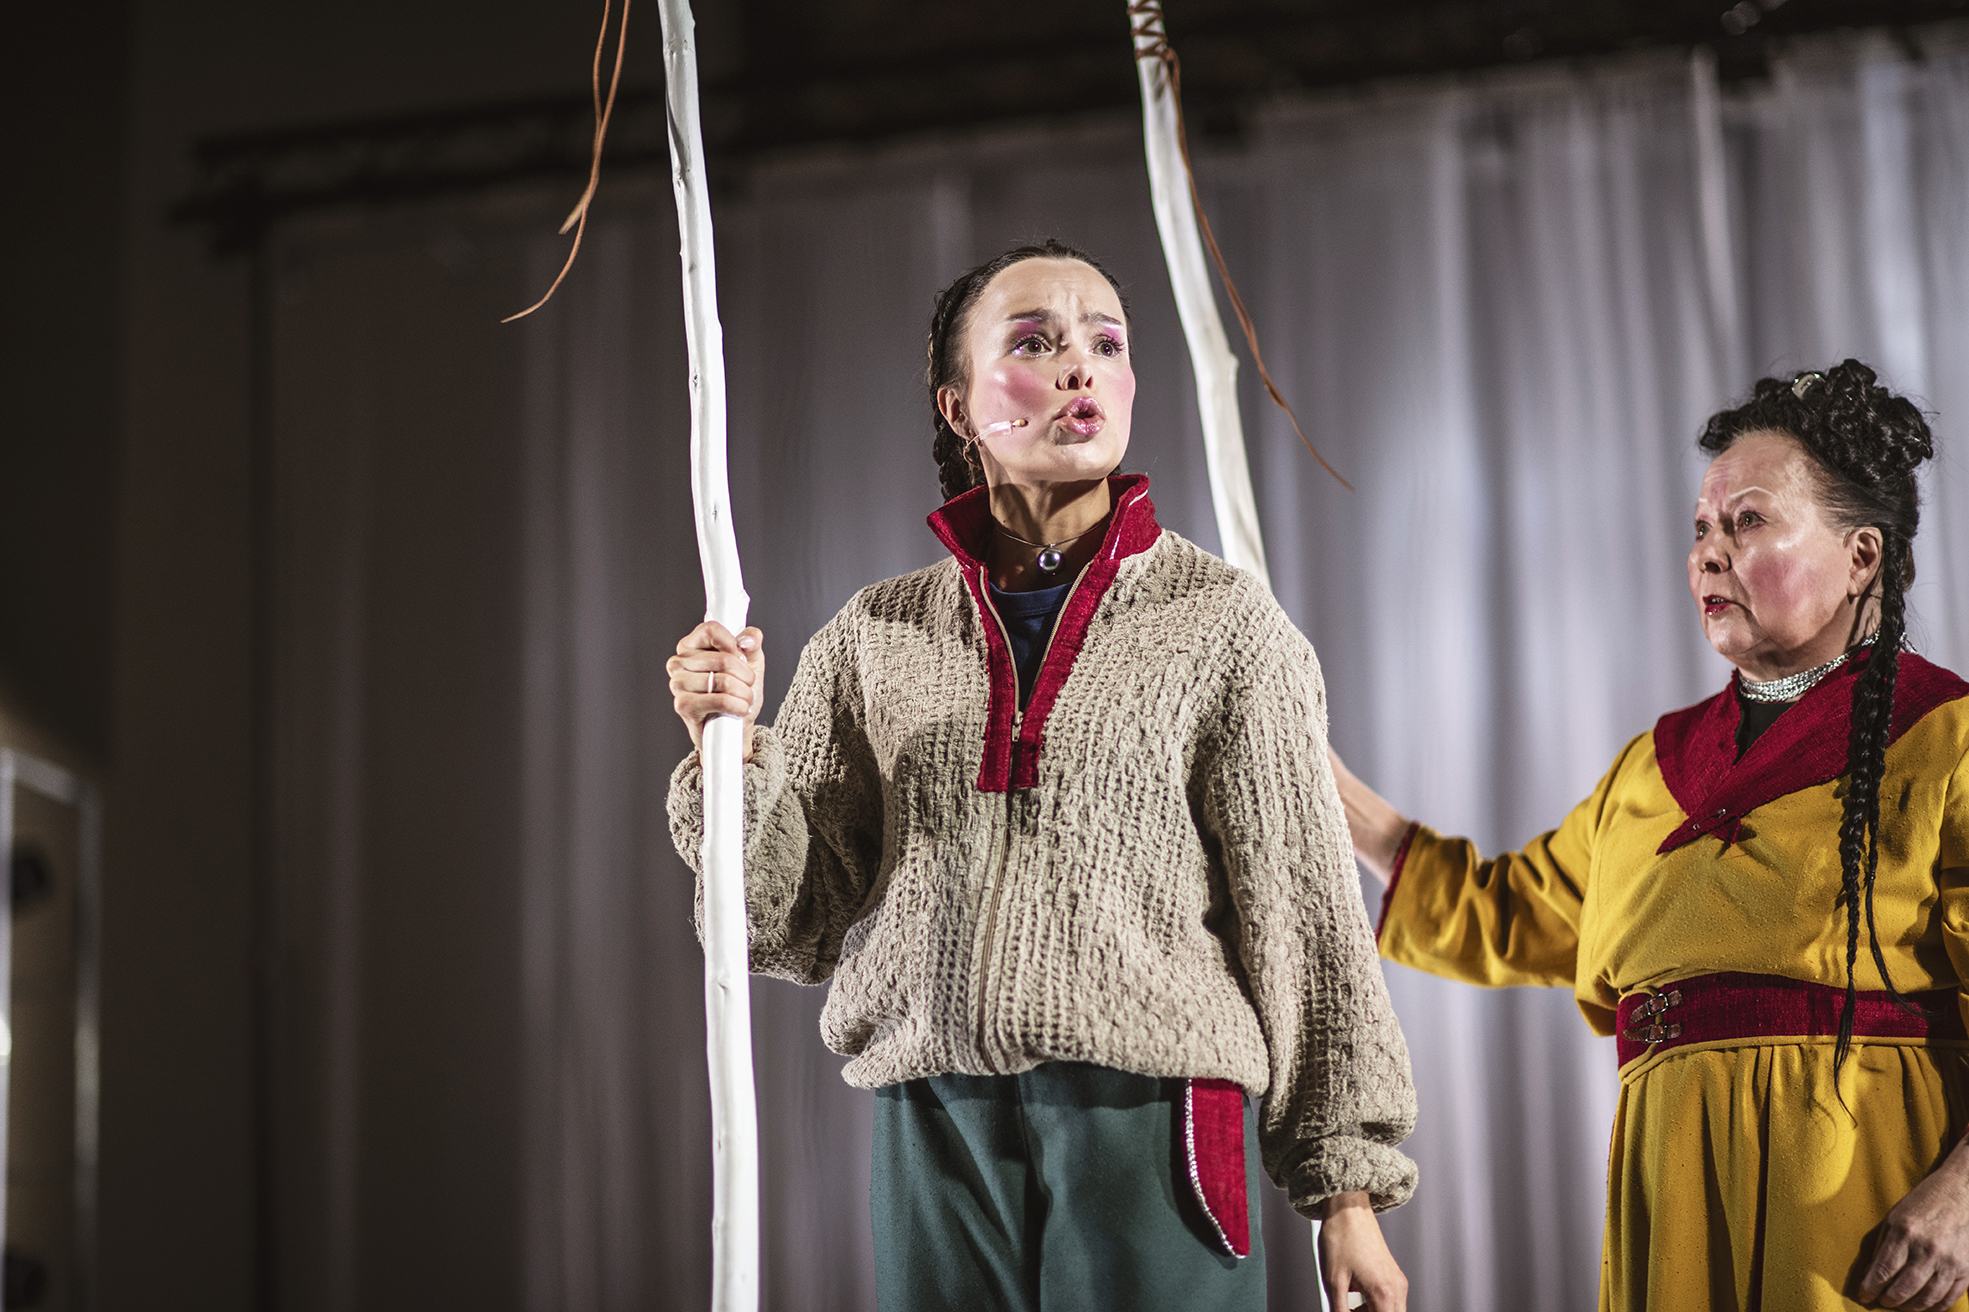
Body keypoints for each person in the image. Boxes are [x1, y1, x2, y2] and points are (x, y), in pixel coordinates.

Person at [667, 239, 1416, 1311]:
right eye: (1033, 343)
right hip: (934, 1122)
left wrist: (1346, 1188)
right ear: (958, 406)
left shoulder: (1223, 626)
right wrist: (730, 751)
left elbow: (1303, 915)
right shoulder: (875, 637)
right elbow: (784, 925)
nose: (1078, 365)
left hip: (1150, 1113)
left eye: (1105, 344)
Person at [1333, 360, 1969, 1312]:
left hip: (1858, 1202)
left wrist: (1962, 1198)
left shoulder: (1945, 738)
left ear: (1860, 557)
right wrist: (1321, 782)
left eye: (1747, 522)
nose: (1708, 553)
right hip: (1668, 1202)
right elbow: (1504, 914)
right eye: (1701, 528)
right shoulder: (1653, 766)